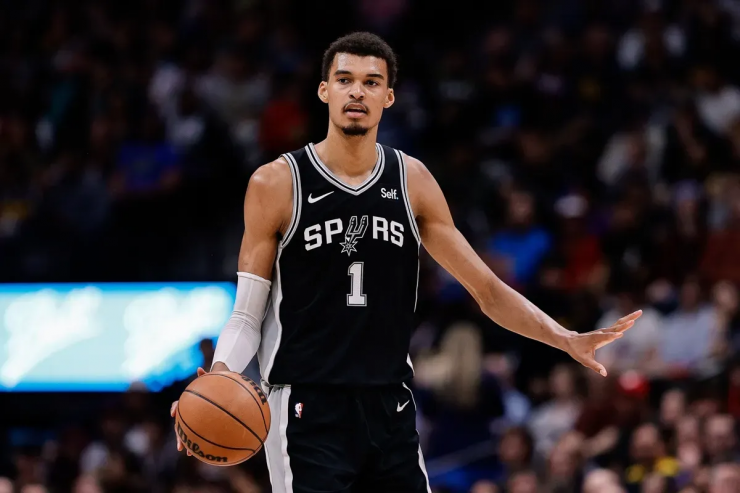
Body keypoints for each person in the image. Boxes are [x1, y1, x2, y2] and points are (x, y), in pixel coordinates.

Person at [169, 32, 642, 493]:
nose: (357, 91)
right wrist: (222, 374)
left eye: (371, 82)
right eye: (345, 80)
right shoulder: (276, 183)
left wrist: (563, 337)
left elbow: (487, 290)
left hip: (389, 404)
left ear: (389, 97)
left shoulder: (411, 180)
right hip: (306, 404)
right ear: (324, 90)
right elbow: (247, 313)